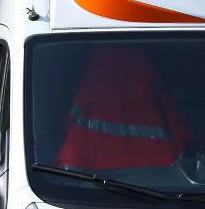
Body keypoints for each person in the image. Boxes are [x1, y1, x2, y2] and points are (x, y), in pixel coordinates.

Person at [54, 47, 191, 171]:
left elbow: (69, 169)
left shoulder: (86, 110)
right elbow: (186, 151)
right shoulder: (159, 104)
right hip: (167, 191)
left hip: (97, 193)